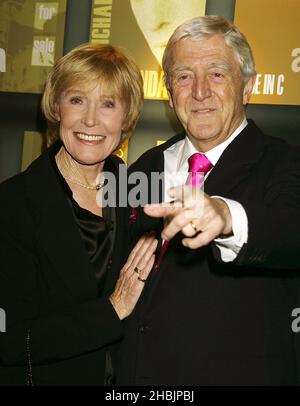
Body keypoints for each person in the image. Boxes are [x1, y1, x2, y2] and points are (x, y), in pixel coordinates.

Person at [117, 16, 300, 385]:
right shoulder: (141, 168)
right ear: (169, 91)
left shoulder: (286, 163)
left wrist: (226, 216)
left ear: (246, 87)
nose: (199, 91)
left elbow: (290, 231)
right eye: (184, 76)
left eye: (217, 74)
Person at [0, 43, 157, 385]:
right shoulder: (12, 205)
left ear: (126, 116)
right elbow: (9, 341)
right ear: (57, 107)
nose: (90, 119)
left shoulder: (142, 191)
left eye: (108, 104)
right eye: (77, 100)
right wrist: (111, 310)